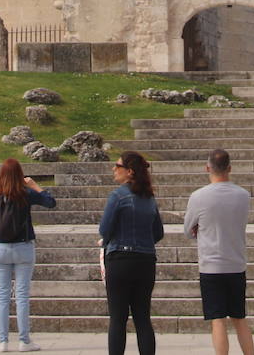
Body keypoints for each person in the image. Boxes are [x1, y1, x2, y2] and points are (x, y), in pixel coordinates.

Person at [0, 159, 56, 352]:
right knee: (22, 296)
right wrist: (34, 185)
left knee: (2, 296)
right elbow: (50, 202)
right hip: (23, 247)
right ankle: (24, 340)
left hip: (0, 248)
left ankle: (2, 341)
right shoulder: (26, 193)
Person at [183, 149, 254, 355]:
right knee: (239, 319)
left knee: (218, 321)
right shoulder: (243, 195)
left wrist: (199, 229)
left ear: (208, 168)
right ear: (230, 168)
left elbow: (188, 230)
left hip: (211, 265)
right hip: (236, 263)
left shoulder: (198, 197)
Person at [99, 151, 163, 355]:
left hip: (119, 259)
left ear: (130, 172)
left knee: (118, 318)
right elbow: (158, 232)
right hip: (145, 261)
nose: (113, 169)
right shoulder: (149, 197)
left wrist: (108, 242)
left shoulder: (118, 195)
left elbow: (104, 229)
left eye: (117, 166)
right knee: (142, 318)